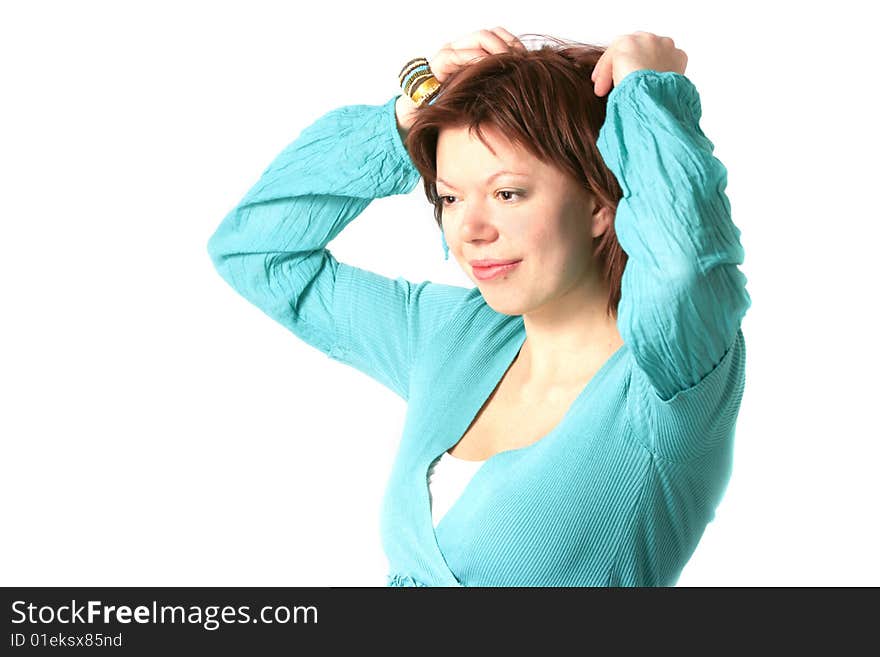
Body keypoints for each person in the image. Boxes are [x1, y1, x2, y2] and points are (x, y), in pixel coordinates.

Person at [206, 27, 752, 587]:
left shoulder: (671, 376)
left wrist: (647, 94)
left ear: (598, 202)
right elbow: (256, 251)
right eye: (449, 197)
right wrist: (407, 118)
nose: (469, 230)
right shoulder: (452, 336)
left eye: (507, 193)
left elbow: (684, 266)